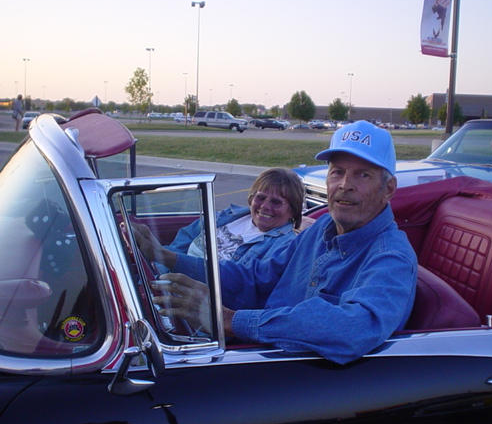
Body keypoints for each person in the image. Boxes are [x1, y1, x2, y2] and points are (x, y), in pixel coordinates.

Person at [151, 120, 418, 365]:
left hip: (296, 381)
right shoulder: (323, 227)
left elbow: (356, 327)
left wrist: (229, 320)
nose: (345, 185)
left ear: (389, 189)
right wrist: (168, 258)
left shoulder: (392, 257)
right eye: (337, 172)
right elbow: (257, 276)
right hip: (259, 351)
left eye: (363, 175)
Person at [135, 168, 305, 271]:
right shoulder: (228, 216)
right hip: (164, 279)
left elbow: (238, 284)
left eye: (276, 202)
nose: (265, 206)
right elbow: (184, 239)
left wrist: (165, 258)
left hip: (194, 301)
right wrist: (158, 271)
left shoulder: (284, 247)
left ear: (293, 210)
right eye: (260, 198)